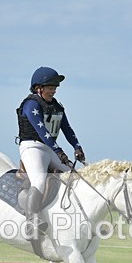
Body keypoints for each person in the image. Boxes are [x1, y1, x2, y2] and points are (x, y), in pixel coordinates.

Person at [16, 66, 86, 236]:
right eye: (50, 87)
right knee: (39, 181)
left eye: (55, 88)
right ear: (39, 88)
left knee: (75, 177)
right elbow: (42, 132)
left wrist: (77, 147)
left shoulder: (57, 107)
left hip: (49, 148)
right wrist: (59, 151)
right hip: (32, 147)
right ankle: (31, 222)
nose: (54, 91)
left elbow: (67, 129)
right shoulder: (31, 104)